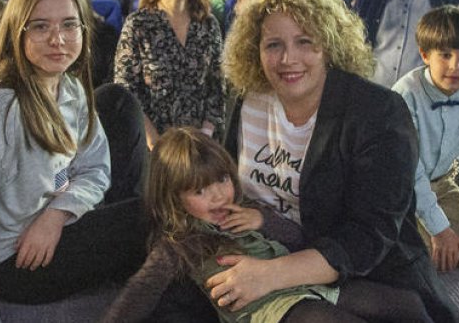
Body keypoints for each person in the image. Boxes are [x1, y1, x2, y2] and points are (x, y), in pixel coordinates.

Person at [168, 0, 459, 323]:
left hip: (358, 266)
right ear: (256, 49)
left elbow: (368, 237)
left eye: (305, 42)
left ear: (329, 45)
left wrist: (269, 274)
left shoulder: (379, 112)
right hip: (257, 247)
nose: (287, 59)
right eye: (273, 44)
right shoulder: (246, 97)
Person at [0, 0, 147, 321]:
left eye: (69, 25)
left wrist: (55, 215)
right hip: (16, 262)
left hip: (51, 220)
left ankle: (125, 252)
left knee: (117, 100)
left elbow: (95, 168)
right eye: (40, 27)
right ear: (17, 33)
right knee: (154, 216)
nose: (58, 39)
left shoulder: (69, 87)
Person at [104, 127, 430, 323]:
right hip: (269, 312)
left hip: (305, 284)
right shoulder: (179, 242)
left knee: (408, 304)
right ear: (174, 199)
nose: (218, 196)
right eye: (200, 191)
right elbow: (141, 291)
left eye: (221, 180)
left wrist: (264, 221)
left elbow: (300, 241)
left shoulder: (249, 210)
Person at [392, 5, 459, 273]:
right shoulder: (406, 93)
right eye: (445, 55)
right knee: (425, 258)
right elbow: (409, 172)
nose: (455, 66)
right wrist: (439, 230)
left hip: (443, 183)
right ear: (425, 55)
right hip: (400, 188)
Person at [115, 0, 225, 146]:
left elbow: (217, 87)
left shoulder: (209, 25)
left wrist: (205, 136)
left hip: (201, 143)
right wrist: (154, 142)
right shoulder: (137, 24)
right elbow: (127, 89)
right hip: (152, 145)